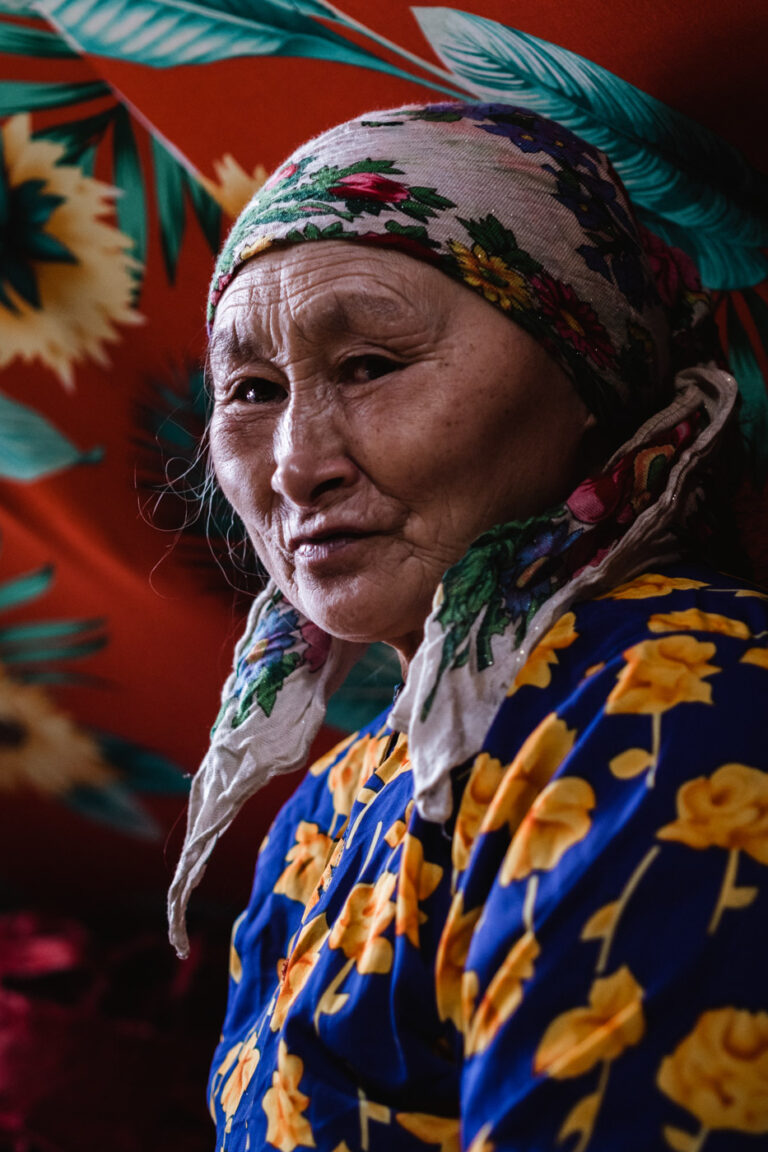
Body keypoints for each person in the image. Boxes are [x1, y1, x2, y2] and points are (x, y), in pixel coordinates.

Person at [168, 103, 768, 1151]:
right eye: (252, 391)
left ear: (585, 372)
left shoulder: (686, 707)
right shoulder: (324, 809)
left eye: (369, 366)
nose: (296, 463)